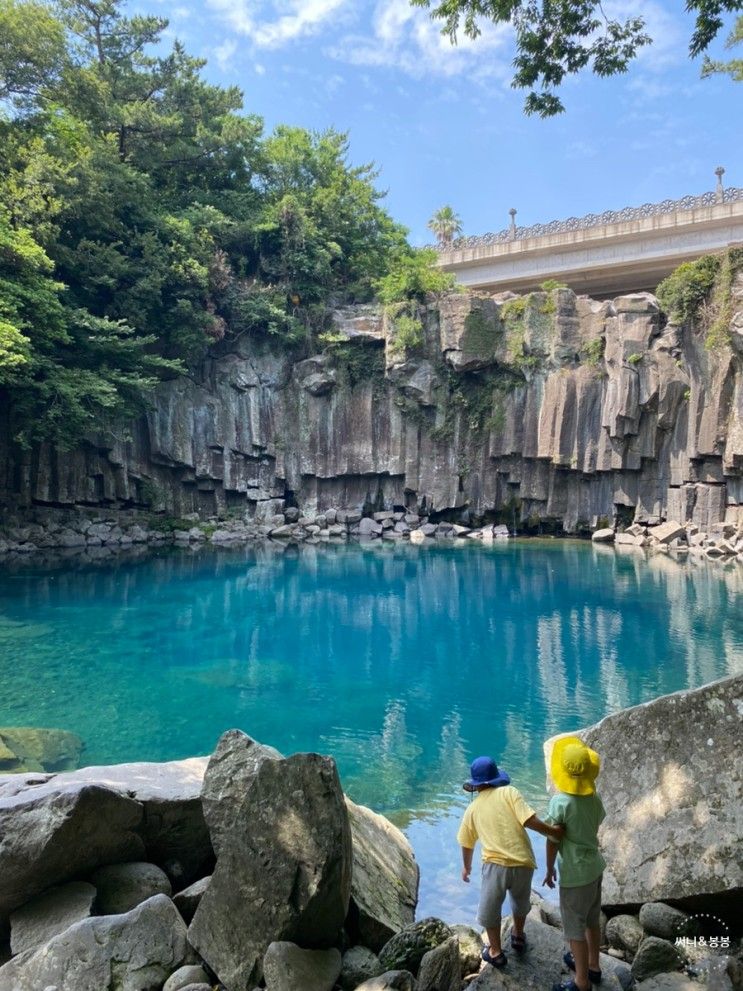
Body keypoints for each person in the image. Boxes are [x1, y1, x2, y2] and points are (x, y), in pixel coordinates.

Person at [457, 755, 565, 968]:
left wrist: (466, 866)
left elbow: (466, 843)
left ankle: (496, 951)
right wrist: (553, 831)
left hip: (494, 866)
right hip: (523, 863)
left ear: (476, 786)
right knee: (520, 902)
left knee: (490, 909)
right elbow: (530, 821)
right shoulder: (510, 792)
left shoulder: (472, 809)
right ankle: (518, 935)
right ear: (496, 778)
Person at [543, 736, 606, 991]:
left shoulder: (560, 803)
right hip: (594, 869)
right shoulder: (593, 798)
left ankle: (581, 983)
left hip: (575, 875)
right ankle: (593, 966)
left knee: (574, 929)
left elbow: (552, 840)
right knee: (592, 920)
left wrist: (548, 868)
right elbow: (597, 821)